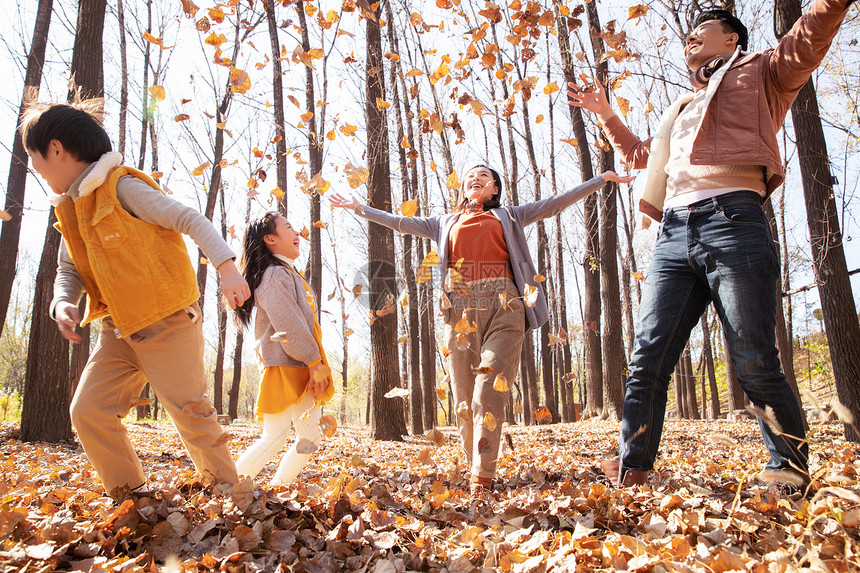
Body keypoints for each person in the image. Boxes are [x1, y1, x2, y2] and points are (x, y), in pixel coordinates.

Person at [567, 0, 855, 490]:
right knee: (647, 356)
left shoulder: (763, 73)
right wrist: (606, 114)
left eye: (703, 29)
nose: (690, 38)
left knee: (754, 357)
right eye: (687, 35)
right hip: (674, 233)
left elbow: (810, 36)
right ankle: (634, 466)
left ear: (732, 39)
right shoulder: (681, 106)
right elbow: (642, 156)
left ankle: (787, 466)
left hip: (735, 221)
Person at [332, 165, 632, 498]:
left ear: (494, 189)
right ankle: (476, 462)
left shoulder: (510, 216)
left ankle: (482, 480)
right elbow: (400, 222)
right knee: (463, 400)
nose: (475, 178)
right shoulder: (443, 222)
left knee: (486, 391)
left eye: (484, 176)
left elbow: (554, 204)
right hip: (460, 310)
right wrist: (360, 207)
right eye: (470, 175)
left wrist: (601, 180)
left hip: (506, 305)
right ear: (463, 187)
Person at [21, 101, 249, 499]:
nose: (35, 167)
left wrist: (227, 267)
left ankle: (234, 497)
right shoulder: (71, 209)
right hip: (119, 329)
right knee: (88, 411)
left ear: (56, 149)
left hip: (168, 322)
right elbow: (68, 269)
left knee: (191, 414)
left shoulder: (121, 187)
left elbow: (189, 218)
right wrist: (62, 302)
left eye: (34, 156)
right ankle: (133, 496)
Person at [232, 213, 334, 485]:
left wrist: (314, 363)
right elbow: (288, 324)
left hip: (302, 365)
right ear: (270, 239)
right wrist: (314, 362)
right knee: (276, 438)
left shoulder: (287, 272)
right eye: (288, 227)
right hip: (288, 365)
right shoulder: (275, 274)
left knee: (307, 438)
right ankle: (227, 489)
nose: (296, 231)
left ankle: (276, 488)